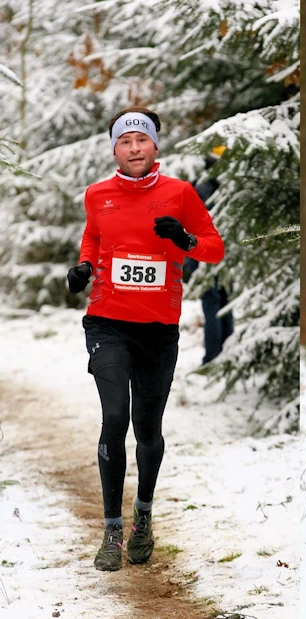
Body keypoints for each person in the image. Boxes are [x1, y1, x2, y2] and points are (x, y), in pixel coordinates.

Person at [67, 106, 225, 571]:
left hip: (157, 329)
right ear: (114, 148)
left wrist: (184, 239)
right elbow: (93, 241)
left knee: (147, 428)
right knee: (114, 416)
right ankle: (112, 530)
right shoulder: (98, 195)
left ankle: (144, 515)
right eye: (124, 141)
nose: (134, 148)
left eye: (141, 140)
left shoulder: (180, 193)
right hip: (107, 323)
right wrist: (84, 269)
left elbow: (213, 247)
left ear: (155, 146)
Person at [182, 147, 234, 364]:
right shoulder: (226, 186)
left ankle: (213, 357)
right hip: (222, 252)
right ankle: (226, 352)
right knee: (224, 301)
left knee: (212, 303)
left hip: (202, 254)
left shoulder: (196, 187)